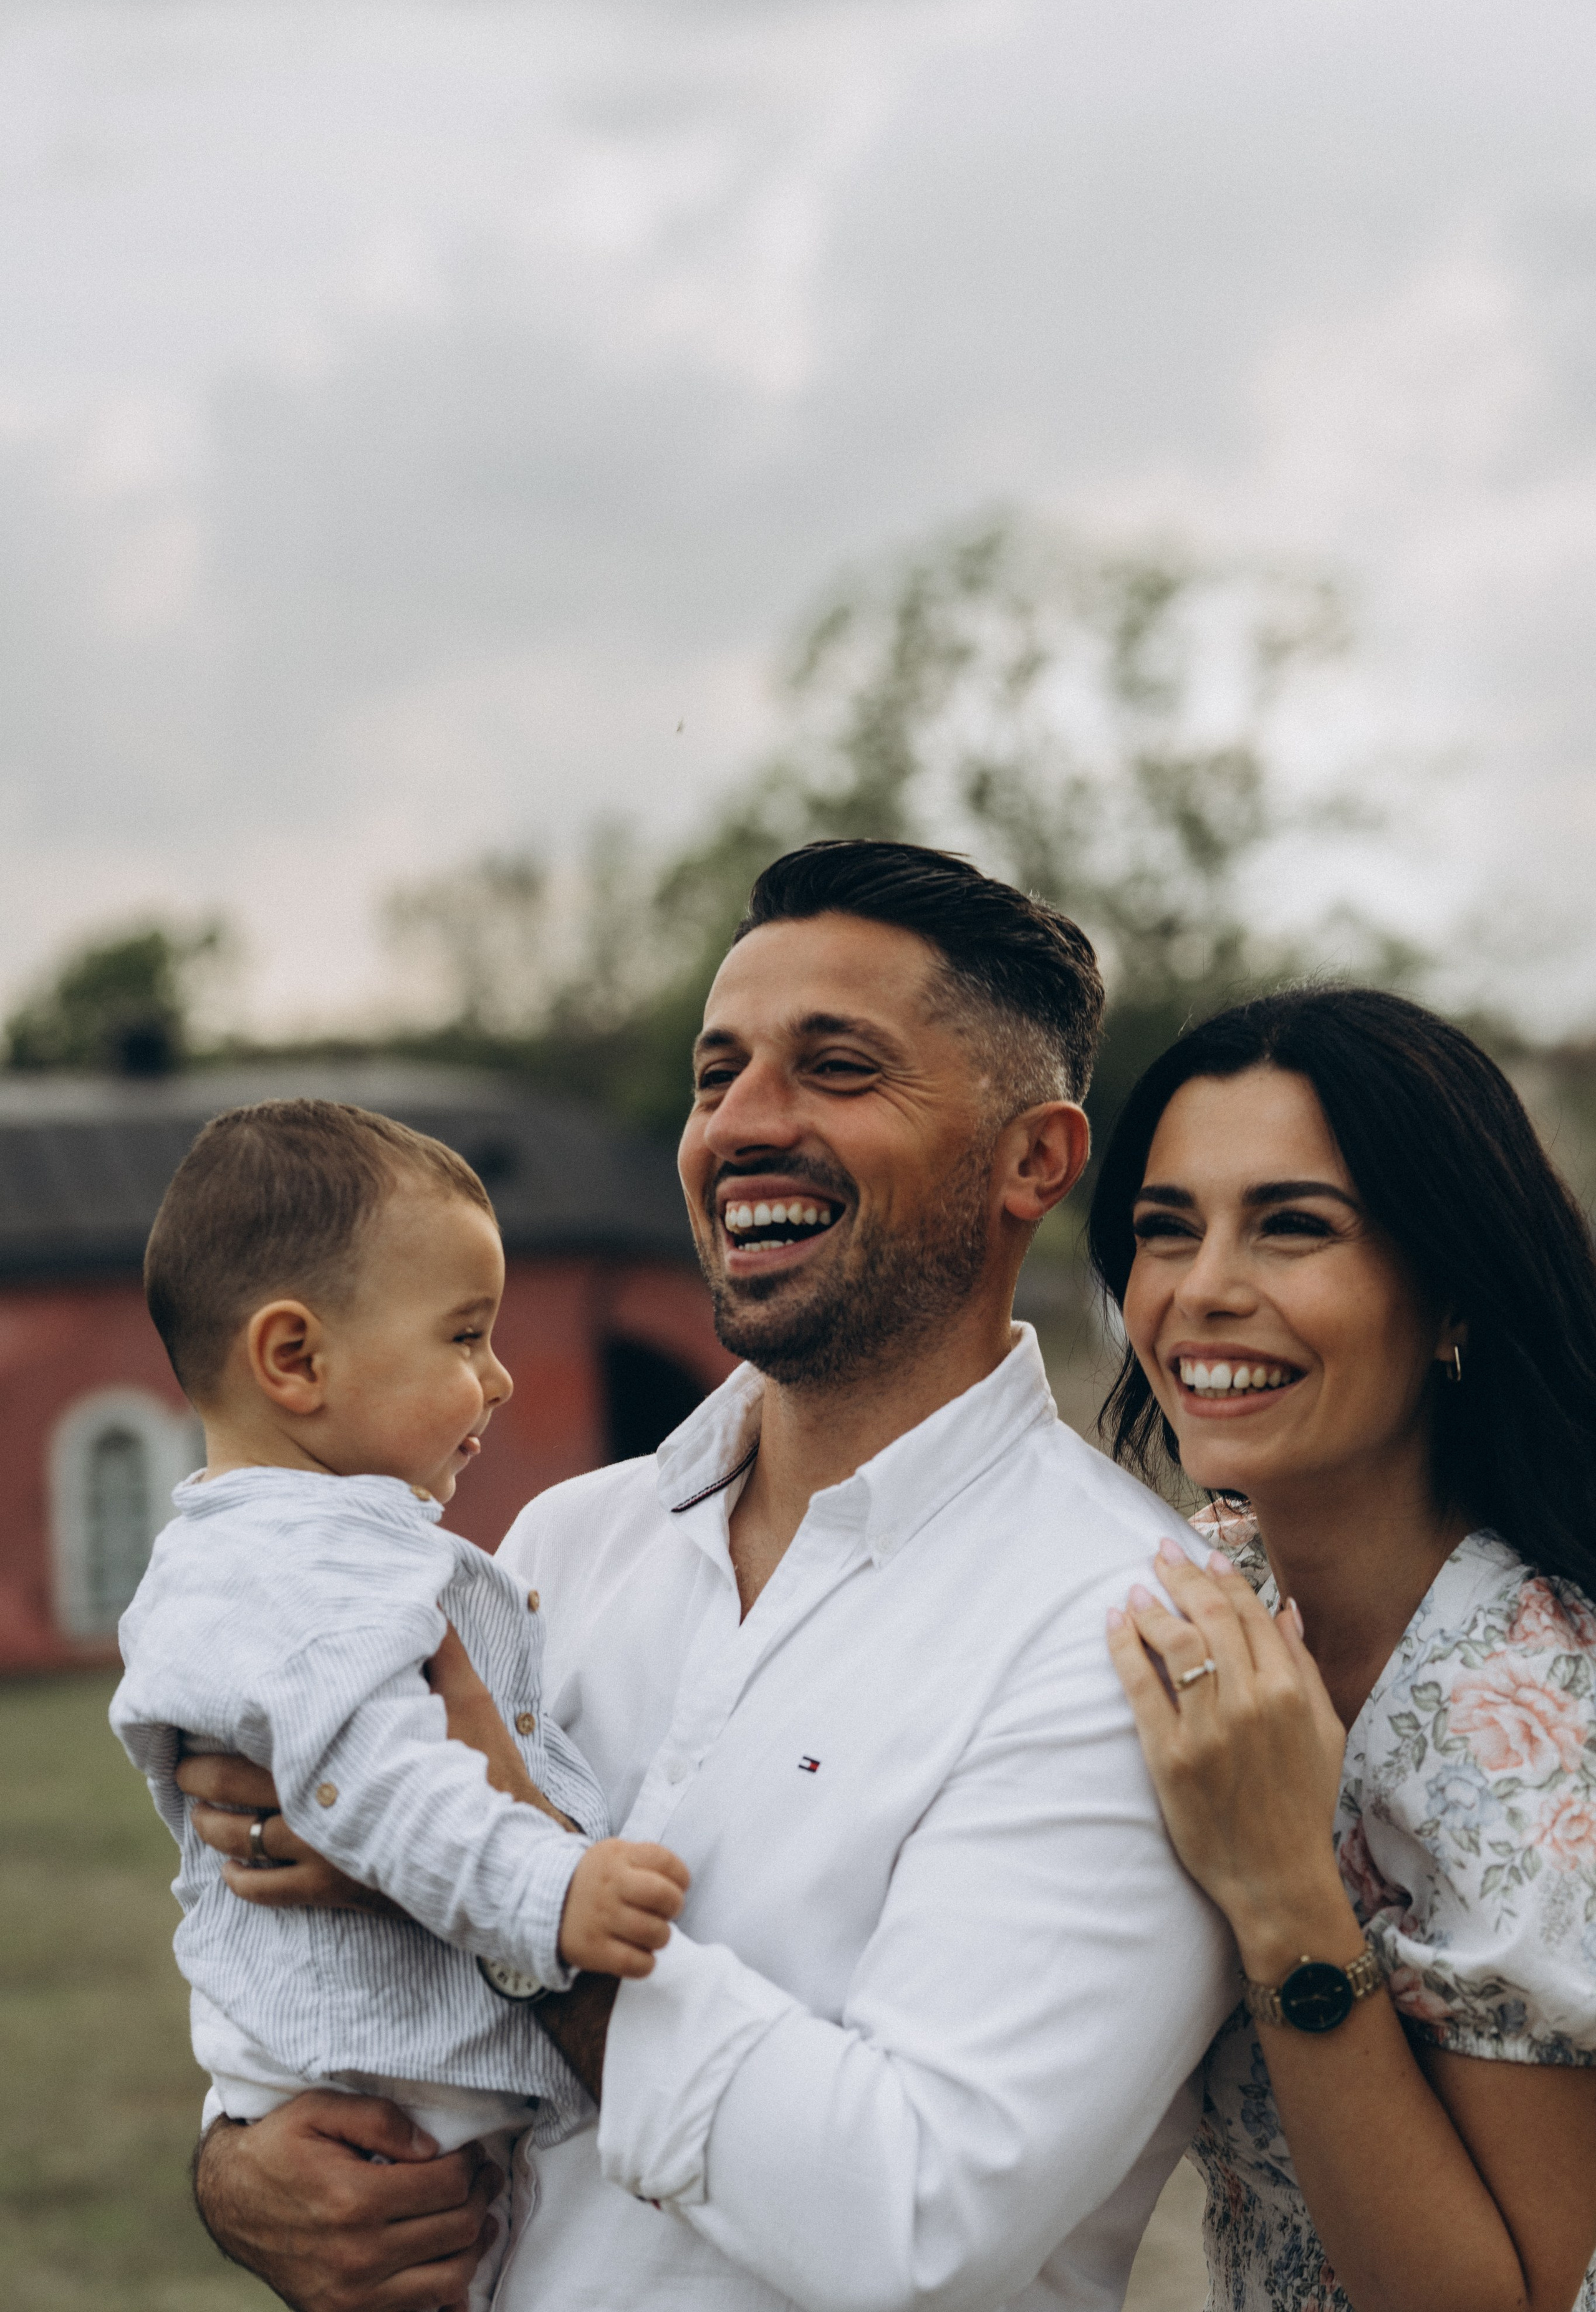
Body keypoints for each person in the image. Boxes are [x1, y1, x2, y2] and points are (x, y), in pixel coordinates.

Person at [175, 839, 1238, 2312]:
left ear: (1033, 1161)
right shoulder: (553, 1542)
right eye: (714, 1072)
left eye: (837, 1068)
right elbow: (313, 1944)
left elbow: (910, 2223)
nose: (740, 1125)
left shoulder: (1124, 1627)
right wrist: (243, 2169)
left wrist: (515, 1884)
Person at [111, 1100, 690, 2312]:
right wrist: (554, 1891)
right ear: (296, 1361)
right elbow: (379, 1783)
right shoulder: (304, 1574)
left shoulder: (283, 1544)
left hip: (396, 2081)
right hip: (396, 2095)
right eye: (465, 1336)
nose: (500, 1375)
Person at [1090, 986, 1596, 2312]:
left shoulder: (1533, 1723)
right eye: (1163, 1231)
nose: (1201, 1292)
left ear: (1450, 1295)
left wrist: (1279, 1894)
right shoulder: (1211, 1587)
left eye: (1291, 1228)